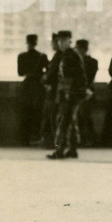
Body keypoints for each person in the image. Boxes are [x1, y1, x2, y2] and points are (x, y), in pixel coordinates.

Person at [47, 31, 87, 160]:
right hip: (68, 93)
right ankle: (72, 149)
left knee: (63, 120)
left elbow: (79, 76)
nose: (61, 44)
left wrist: (73, 92)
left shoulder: (72, 55)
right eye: (59, 41)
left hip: (70, 93)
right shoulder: (68, 55)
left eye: (64, 41)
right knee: (69, 120)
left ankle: (60, 150)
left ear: (69, 41)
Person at [17, 34, 48, 145]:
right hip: (38, 85)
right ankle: (36, 136)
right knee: (37, 112)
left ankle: (24, 138)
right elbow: (47, 71)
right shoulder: (42, 56)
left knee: (26, 112)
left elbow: (20, 72)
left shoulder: (22, 56)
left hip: (27, 85)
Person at [75, 39, 98, 147]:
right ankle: (87, 139)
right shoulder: (92, 62)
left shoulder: (86, 62)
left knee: (84, 116)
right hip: (85, 91)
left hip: (85, 91)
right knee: (83, 116)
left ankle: (87, 139)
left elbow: (88, 77)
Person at [40, 33, 61, 149]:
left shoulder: (58, 56)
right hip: (55, 90)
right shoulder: (58, 56)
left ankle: (51, 141)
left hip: (54, 91)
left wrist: (45, 79)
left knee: (51, 115)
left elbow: (51, 73)